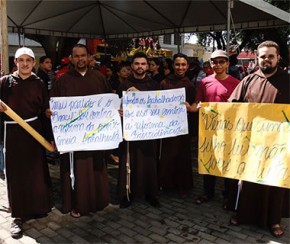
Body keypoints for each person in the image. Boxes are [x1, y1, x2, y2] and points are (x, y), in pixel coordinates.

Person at [227, 40, 290, 237]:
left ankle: (274, 221)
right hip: (252, 143)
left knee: (275, 182)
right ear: (257, 57)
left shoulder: (288, 81)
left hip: (278, 145)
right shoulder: (248, 80)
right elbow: (232, 106)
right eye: (263, 56)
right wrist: (210, 111)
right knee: (249, 181)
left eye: (271, 56)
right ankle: (244, 214)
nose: (266, 60)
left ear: (278, 57)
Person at [49, 44, 111, 217]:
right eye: (76, 56)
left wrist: (116, 111)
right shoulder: (62, 80)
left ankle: (97, 201)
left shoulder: (99, 78)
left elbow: (108, 103)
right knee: (76, 169)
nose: (80, 59)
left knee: (95, 168)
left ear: (88, 57)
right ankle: (77, 204)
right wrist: (50, 112)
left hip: (95, 137)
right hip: (73, 139)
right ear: (71, 58)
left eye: (83, 55)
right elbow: (54, 106)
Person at [0, 47, 53, 239]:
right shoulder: (5, 82)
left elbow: (44, 110)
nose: (24, 64)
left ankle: (37, 207)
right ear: (15, 62)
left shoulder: (39, 83)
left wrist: (50, 136)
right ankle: (18, 215)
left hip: (34, 133)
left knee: (36, 172)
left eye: (28, 60)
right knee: (16, 175)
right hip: (12, 133)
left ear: (33, 63)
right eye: (20, 60)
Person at [186, 50, 240, 207]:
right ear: (211, 63)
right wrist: (191, 108)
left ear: (227, 63)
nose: (218, 65)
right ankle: (207, 192)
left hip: (229, 131)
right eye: (215, 62)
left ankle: (227, 195)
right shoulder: (204, 82)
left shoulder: (236, 83)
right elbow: (198, 103)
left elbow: (240, 108)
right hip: (209, 130)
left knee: (228, 163)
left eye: (221, 62)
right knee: (209, 161)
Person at [118, 52, 160, 208]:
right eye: (137, 64)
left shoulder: (154, 85)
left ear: (147, 66)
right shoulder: (124, 84)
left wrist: (140, 95)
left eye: (143, 64)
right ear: (131, 66)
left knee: (149, 162)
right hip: (130, 132)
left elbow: (158, 107)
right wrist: (119, 110)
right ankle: (126, 195)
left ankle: (151, 194)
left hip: (148, 131)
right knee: (129, 162)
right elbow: (118, 106)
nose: (140, 67)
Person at [158, 53, 195, 196]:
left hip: (183, 128)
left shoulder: (190, 85)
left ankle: (182, 185)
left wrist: (189, 107)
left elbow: (193, 105)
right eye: (178, 64)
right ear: (173, 65)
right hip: (167, 128)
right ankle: (167, 184)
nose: (180, 67)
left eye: (183, 65)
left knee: (182, 156)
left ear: (187, 66)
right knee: (168, 155)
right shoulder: (164, 83)